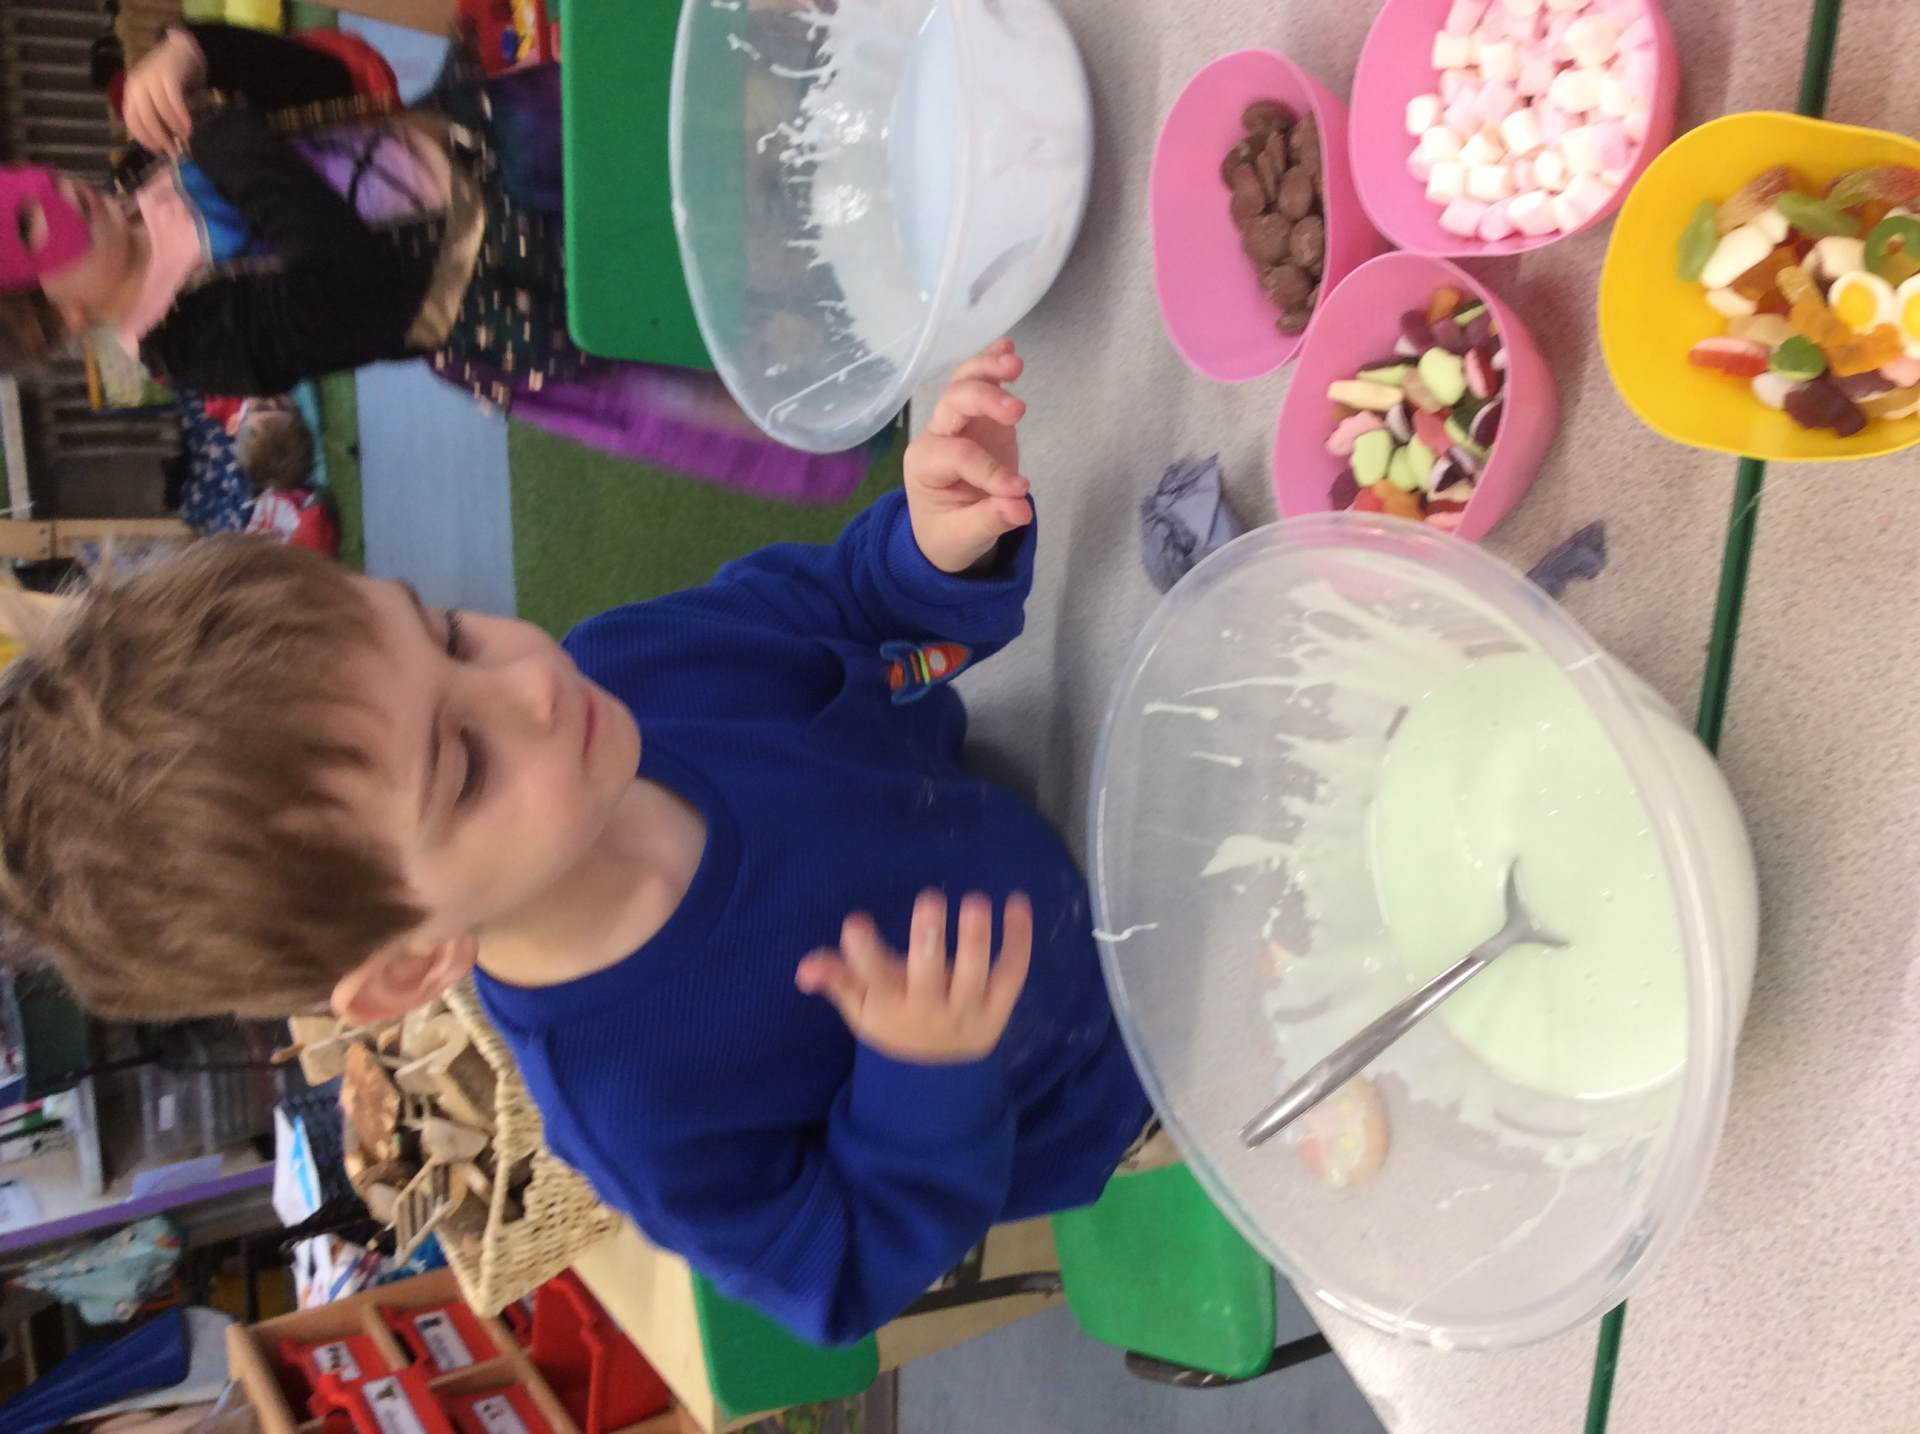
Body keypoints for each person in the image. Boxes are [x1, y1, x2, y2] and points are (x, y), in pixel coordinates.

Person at [0, 344, 1158, 1345]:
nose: (530, 687)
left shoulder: (626, 670)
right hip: (1121, 1073)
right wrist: (921, 1076)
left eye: (447, 634)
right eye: (465, 767)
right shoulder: (634, 1103)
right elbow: (838, 1269)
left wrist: (929, 547)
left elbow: (839, 613)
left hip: (1101, 803)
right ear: (412, 962)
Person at [0, 22, 587, 400]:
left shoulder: (147, 162)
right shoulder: (196, 346)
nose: (59, 190)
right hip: (516, 274)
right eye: (28, 226)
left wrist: (196, 54)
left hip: (484, 132)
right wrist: (225, 143)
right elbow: (357, 293)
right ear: (55, 320)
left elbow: (330, 86)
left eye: (32, 180)